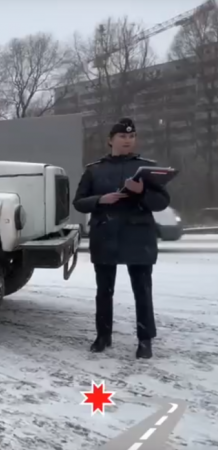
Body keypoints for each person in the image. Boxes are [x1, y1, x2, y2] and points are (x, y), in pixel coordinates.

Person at [73, 118, 171, 360]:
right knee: (104, 291)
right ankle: (103, 335)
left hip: (138, 236)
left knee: (142, 290)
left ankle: (145, 340)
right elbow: (79, 202)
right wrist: (100, 200)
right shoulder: (94, 170)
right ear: (111, 140)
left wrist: (142, 191)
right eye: (122, 136)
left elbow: (161, 202)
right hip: (105, 234)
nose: (128, 140)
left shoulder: (147, 169)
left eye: (131, 136)